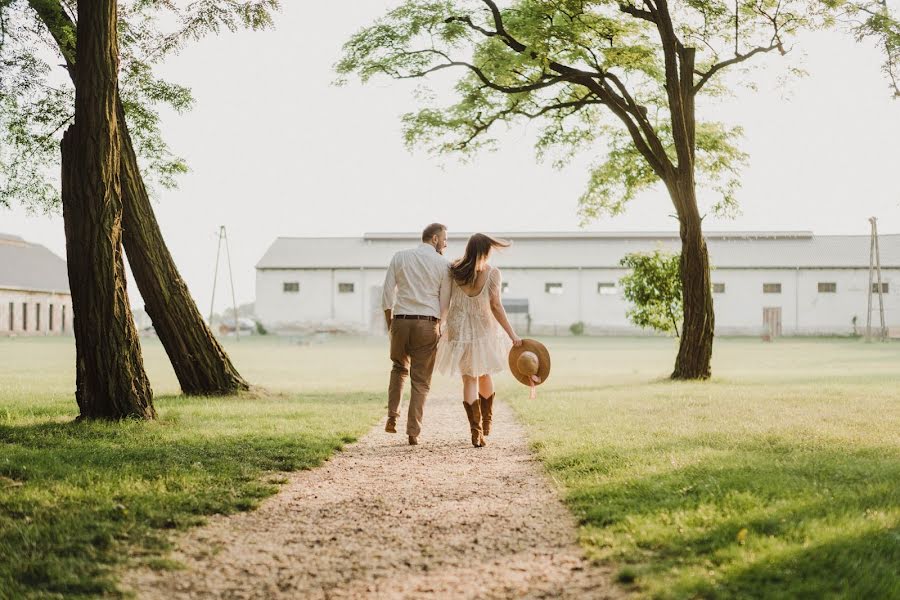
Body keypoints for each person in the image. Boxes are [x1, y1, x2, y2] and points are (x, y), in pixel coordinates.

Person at [435, 233, 522, 447]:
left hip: (459, 329)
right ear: (485, 250)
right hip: (483, 329)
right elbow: (496, 306)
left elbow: (443, 300)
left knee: (468, 379)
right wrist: (513, 335)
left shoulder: (454, 270)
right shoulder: (492, 273)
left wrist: (439, 324)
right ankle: (487, 423)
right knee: (484, 373)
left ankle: (476, 431)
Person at [381, 223, 451, 445]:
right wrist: (439, 325)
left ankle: (392, 415)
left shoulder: (399, 257)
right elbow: (445, 301)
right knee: (420, 380)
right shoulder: (443, 264)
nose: (446, 243)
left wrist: (389, 324)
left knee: (399, 368)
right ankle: (413, 432)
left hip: (400, 320)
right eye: (444, 239)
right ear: (434, 239)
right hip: (427, 323)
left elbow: (386, 293)